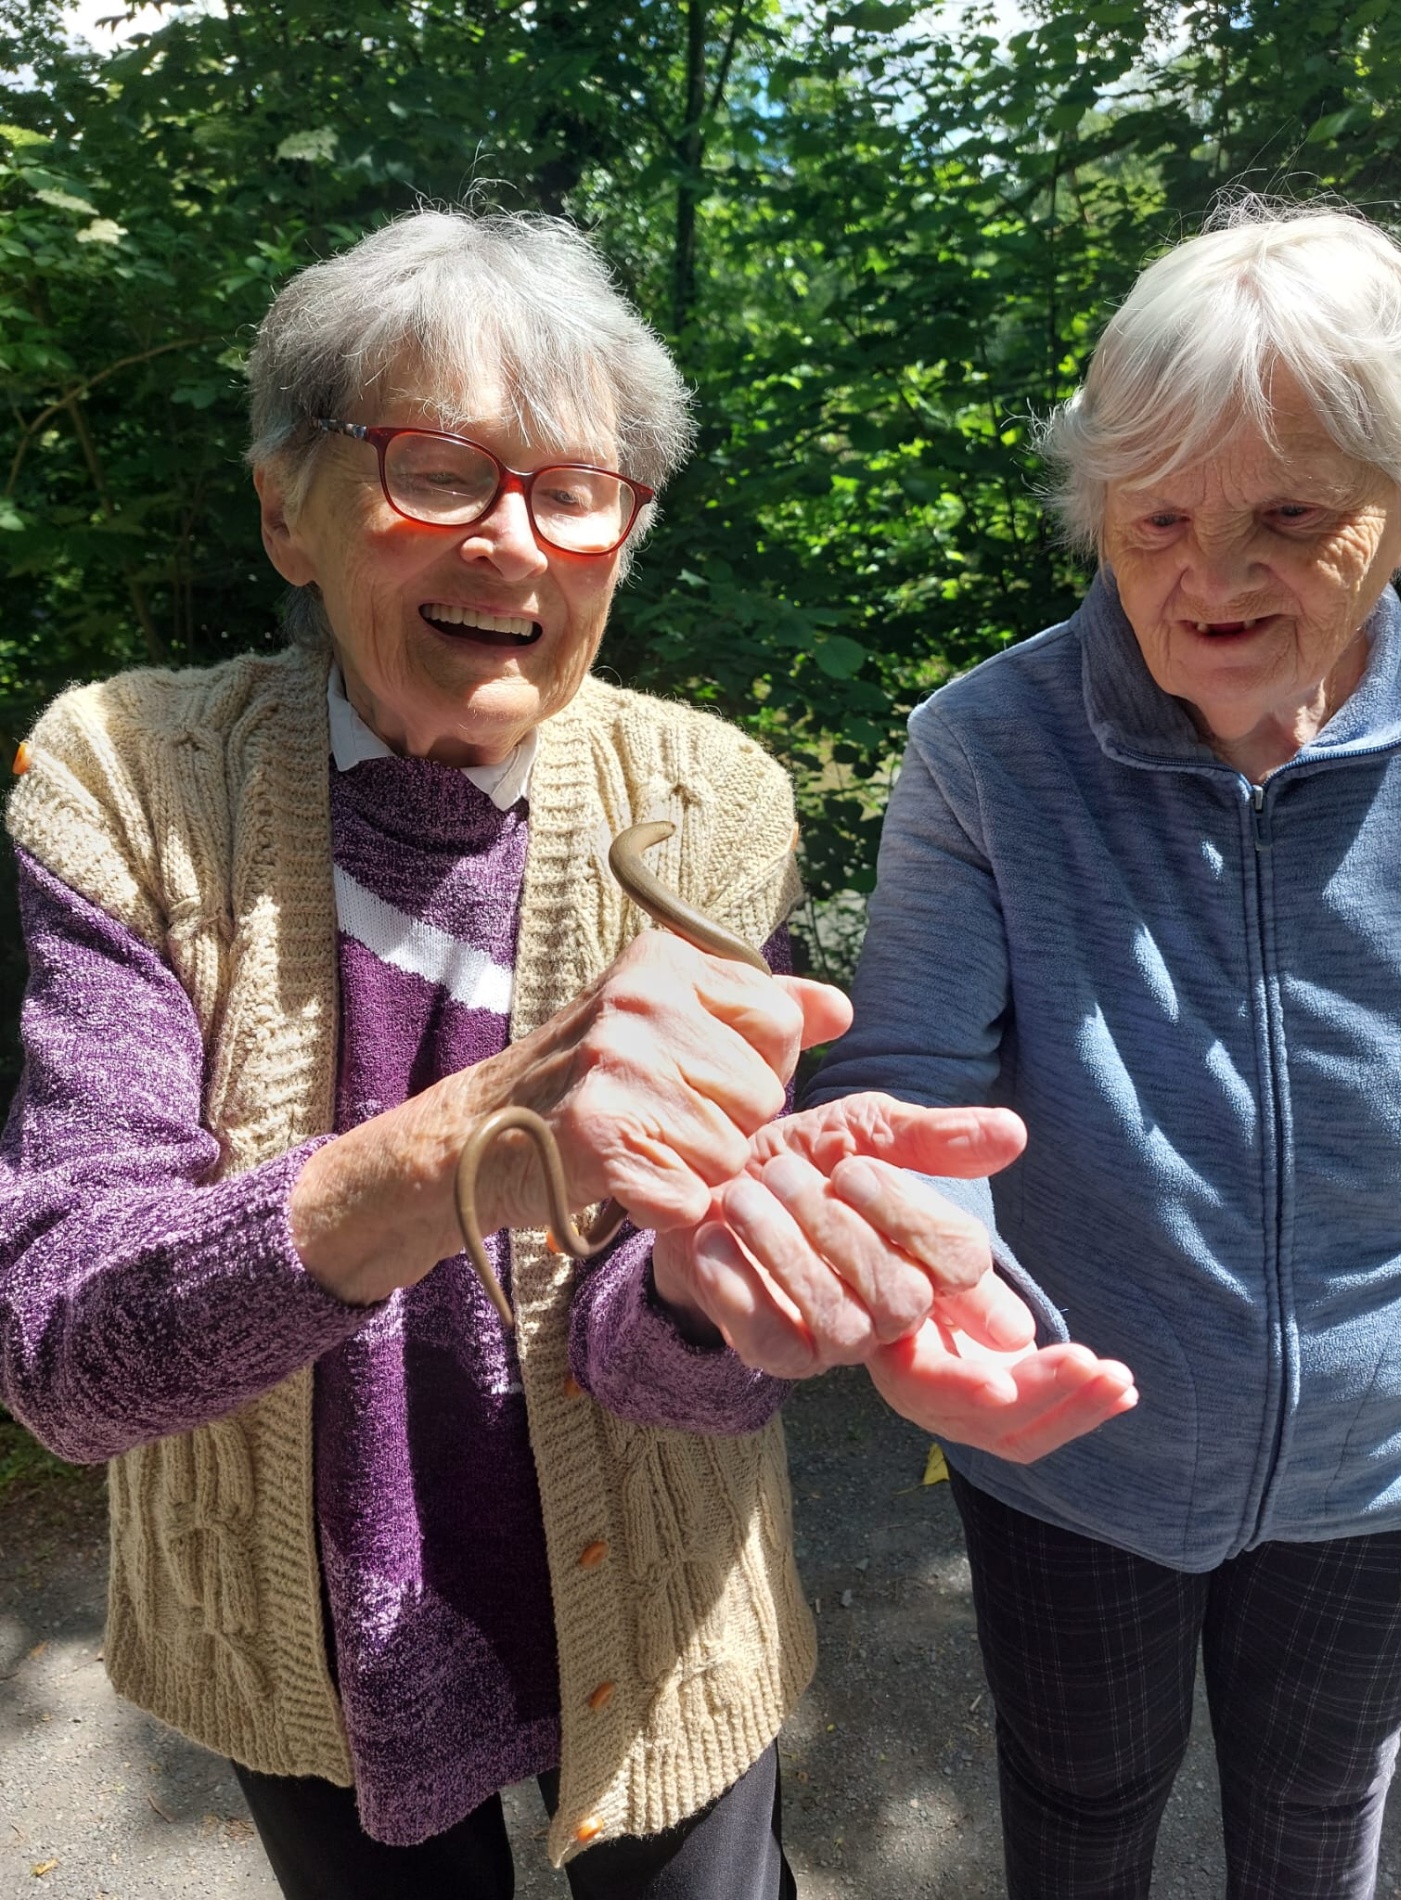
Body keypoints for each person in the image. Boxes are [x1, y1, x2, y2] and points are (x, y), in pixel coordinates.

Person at [0, 206, 1129, 1900]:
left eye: (575, 488)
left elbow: (670, 1362)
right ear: (286, 508)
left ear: (627, 529)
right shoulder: (128, 782)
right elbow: (68, 1355)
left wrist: (717, 1291)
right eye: (437, 469)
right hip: (292, 1634)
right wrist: (462, 1146)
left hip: (659, 1599)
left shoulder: (706, 802)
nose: (511, 542)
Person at [774, 201, 1401, 1897]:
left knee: (1316, 1830)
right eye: (1158, 517)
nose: (1214, 575)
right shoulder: (988, 747)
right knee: (1078, 1814)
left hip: (1387, 1465)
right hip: (1067, 1446)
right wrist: (935, 1294)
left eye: (1290, 514)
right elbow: (907, 1085)